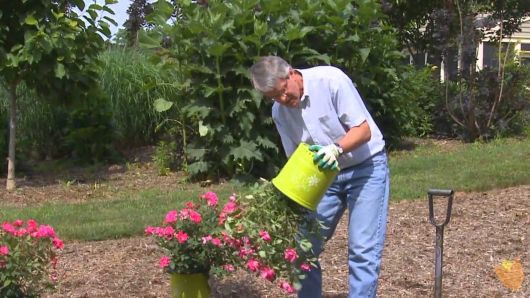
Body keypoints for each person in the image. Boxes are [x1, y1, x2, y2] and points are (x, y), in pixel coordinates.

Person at [249, 56, 390, 298]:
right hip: (325, 178)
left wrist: (336, 149)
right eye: (274, 97)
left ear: (291, 73)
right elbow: (295, 158)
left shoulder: (330, 80)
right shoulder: (279, 112)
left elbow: (363, 130)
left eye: (283, 91)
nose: (283, 100)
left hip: (366, 168)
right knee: (303, 250)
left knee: (362, 250)